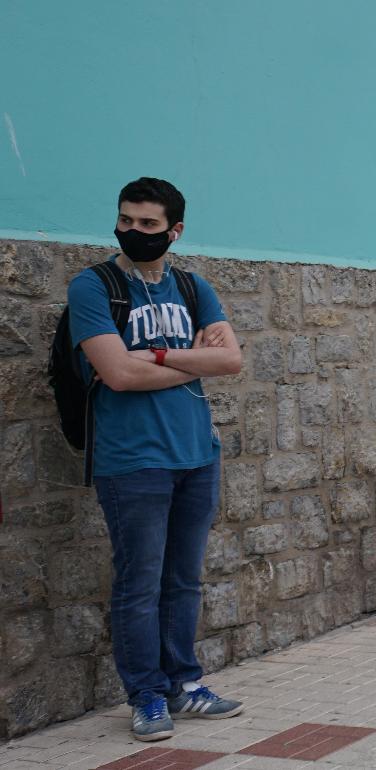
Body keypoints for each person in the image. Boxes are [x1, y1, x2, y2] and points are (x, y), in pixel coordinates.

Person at [67, 178, 244, 741]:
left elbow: (232, 360)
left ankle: (184, 683)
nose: (135, 231)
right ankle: (146, 694)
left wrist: (162, 354)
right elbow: (117, 374)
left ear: (175, 230)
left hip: (197, 454)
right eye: (126, 220)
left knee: (183, 580)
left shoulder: (193, 288)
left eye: (148, 224)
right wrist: (196, 361)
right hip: (132, 460)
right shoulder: (94, 288)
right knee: (139, 583)